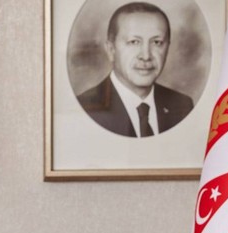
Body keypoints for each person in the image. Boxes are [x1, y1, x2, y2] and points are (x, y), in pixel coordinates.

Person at [77, 2, 194, 137]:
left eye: (157, 42)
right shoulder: (84, 109)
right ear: (111, 50)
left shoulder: (182, 105)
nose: (146, 56)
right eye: (134, 42)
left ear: (167, 48)